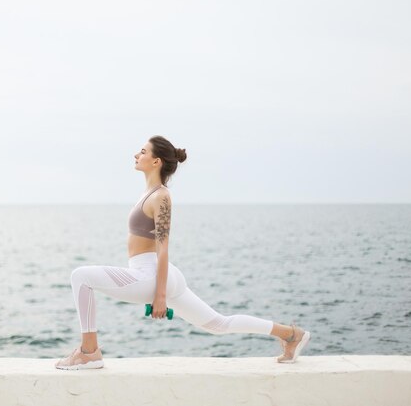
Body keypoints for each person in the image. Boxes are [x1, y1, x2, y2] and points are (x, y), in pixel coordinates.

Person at [55, 135, 311, 370]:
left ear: (156, 161)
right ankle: (290, 334)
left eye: (142, 151)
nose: (136, 155)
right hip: (154, 274)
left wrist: (160, 295)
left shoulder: (161, 196)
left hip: (152, 275)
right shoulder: (149, 193)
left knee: (81, 276)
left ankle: (89, 352)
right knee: (218, 324)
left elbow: (163, 248)